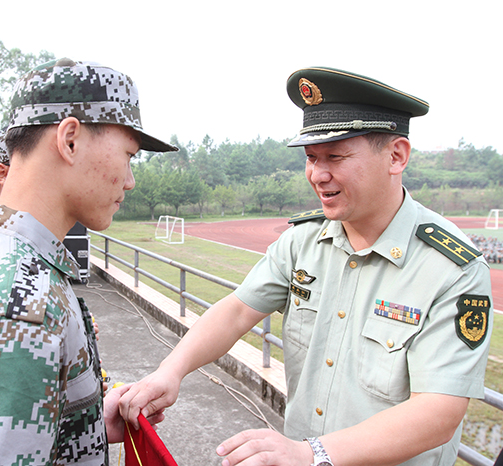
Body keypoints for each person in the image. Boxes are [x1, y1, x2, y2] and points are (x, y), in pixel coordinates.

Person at [120, 67, 493, 466]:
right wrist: (170, 371)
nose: (318, 174)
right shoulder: (303, 242)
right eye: (311, 158)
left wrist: (311, 453)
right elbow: (238, 310)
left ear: (396, 156)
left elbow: (438, 413)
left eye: (336, 156)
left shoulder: (451, 268)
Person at [0, 58, 177, 465]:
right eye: (128, 155)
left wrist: (83, 422)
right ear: (69, 140)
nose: (129, 180)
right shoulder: (21, 307)